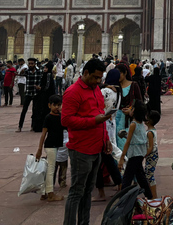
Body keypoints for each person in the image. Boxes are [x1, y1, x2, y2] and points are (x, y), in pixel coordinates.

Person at [61, 58, 116, 225]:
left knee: (87, 192)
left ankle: (84, 222)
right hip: (81, 149)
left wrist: (106, 139)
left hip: (96, 148)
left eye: (100, 78)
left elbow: (101, 115)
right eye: (95, 77)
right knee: (77, 192)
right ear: (85, 73)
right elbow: (66, 120)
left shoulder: (96, 90)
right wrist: (93, 121)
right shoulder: (73, 92)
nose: (98, 81)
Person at [118, 101, 154, 198]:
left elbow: (128, 142)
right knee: (140, 176)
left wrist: (121, 158)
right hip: (140, 154)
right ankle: (150, 198)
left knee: (127, 178)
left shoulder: (133, 124)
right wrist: (125, 135)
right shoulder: (141, 124)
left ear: (134, 111)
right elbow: (136, 138)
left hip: (134, 154)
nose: (130, 109)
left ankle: (123, 201)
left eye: (132, 108)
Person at [35, 95, 66, 202]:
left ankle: (44, 193)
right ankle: (50, 194)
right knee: (51, 169)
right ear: (49, 105)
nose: (57, 107)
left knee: (49, 168)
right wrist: (39, 149)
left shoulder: (61, 117)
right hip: (50, 145)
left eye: (59, 105)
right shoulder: (48, 117)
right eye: (55, 105)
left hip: (55, 146)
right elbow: (43, 134)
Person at [18, 58, 41, 133]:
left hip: (36, 93)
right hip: (28, 93)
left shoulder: (39, 72)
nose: (30, 65)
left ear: (35, 64)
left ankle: (33, 126)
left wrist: (39, 87)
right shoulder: (27, 72)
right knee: (24, 110)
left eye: (32, 63)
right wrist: (21, 72)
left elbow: (41, 81)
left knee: (35, 111)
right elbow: (20, 74)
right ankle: (20, 126)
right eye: (29, 64)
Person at [33, 62, 56, 132]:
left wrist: (40, 88)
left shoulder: (48, 75)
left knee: (45, 110)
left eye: (46, 68)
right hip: (44, 95)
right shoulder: (46, 74)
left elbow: (47, 86)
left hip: (47, 95)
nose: (44, 69)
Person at [144, 110, 160, 198]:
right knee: (148, 174)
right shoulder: (152, 130)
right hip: (153, 155)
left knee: (149, 175)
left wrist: (144, 155)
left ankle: (154, 196)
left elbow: (150, 147)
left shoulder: (150, 133)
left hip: (151, 155)